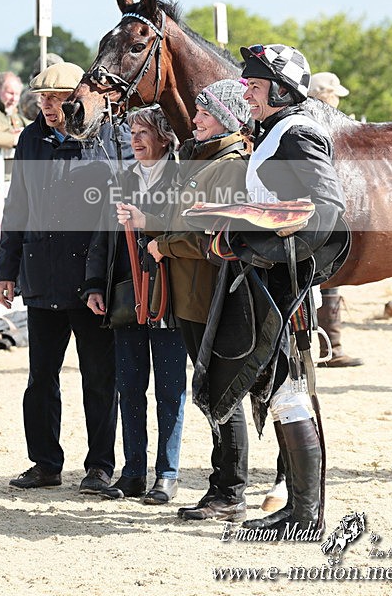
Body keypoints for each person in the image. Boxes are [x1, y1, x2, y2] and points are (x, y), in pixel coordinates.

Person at [0, 62, 132, 493]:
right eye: (43, 98)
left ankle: (100, 466)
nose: (49, 106)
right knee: (40, 380)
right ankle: (45, 463)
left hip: (93, 282)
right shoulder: (30, 138)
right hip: (41, 274)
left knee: (99, 378)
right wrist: (6, 270)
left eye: (56, 98)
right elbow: (17, 205)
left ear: (77, 97)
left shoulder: (109, 138)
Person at [237, 44, 347, 536]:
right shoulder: (277, 130)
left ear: (282, 91)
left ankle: (306, 514)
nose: (247, 93)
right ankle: (301, 510)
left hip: (287, 282)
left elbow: (325, 210)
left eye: (255, 87)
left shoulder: (297, 132)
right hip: (275, 278)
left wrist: (265, 247)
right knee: (284, 393)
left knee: (290, 393)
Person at [146, 79, 252, 522]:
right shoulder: (200, 157)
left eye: (205, 113)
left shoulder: (230, 166)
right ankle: (224, 487)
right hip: (190, 296)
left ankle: (229, 491)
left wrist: (163, 246)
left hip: (209, 296)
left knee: (220, 392)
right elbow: (180, 217)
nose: (196, 119)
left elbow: (212, 234)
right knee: (209, 391)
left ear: (226, 117)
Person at [85, 107, 187, 504]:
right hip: (127, 297)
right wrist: (94, 285)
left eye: (144, 131)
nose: (136, 139)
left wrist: (149, 219)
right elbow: (101, 236)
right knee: (129, 387)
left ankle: (167, 473)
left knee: (170, 389)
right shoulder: (122, 178)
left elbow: (187, 227)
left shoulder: (183, 178)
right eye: (133, 131)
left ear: (164, 136)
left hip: (170, 297)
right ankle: (133, 472)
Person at [308, 71, 362, 367]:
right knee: (326, 279)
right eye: (334, 95)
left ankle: (332, 346)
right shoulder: (321, 126)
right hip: (323, 213)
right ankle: (332, 347)